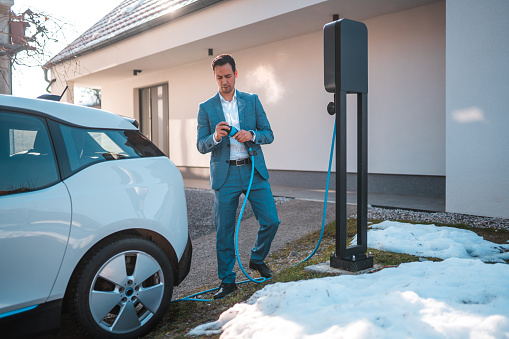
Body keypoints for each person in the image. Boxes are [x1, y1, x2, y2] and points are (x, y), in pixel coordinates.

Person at [196, 54, 280, 299]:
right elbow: (201, 145)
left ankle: (257, 258)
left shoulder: (252, 101)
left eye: (228, 76)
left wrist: (251, 135)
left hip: (253, 169)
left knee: (271, 220)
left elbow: (269, 134)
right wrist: (216, 137)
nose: (224, 81)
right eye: (220, 77)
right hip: (226, 174)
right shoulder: (206, 108)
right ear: (215, 77)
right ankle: (227, 279)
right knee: (224, 229)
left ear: (236, 74)